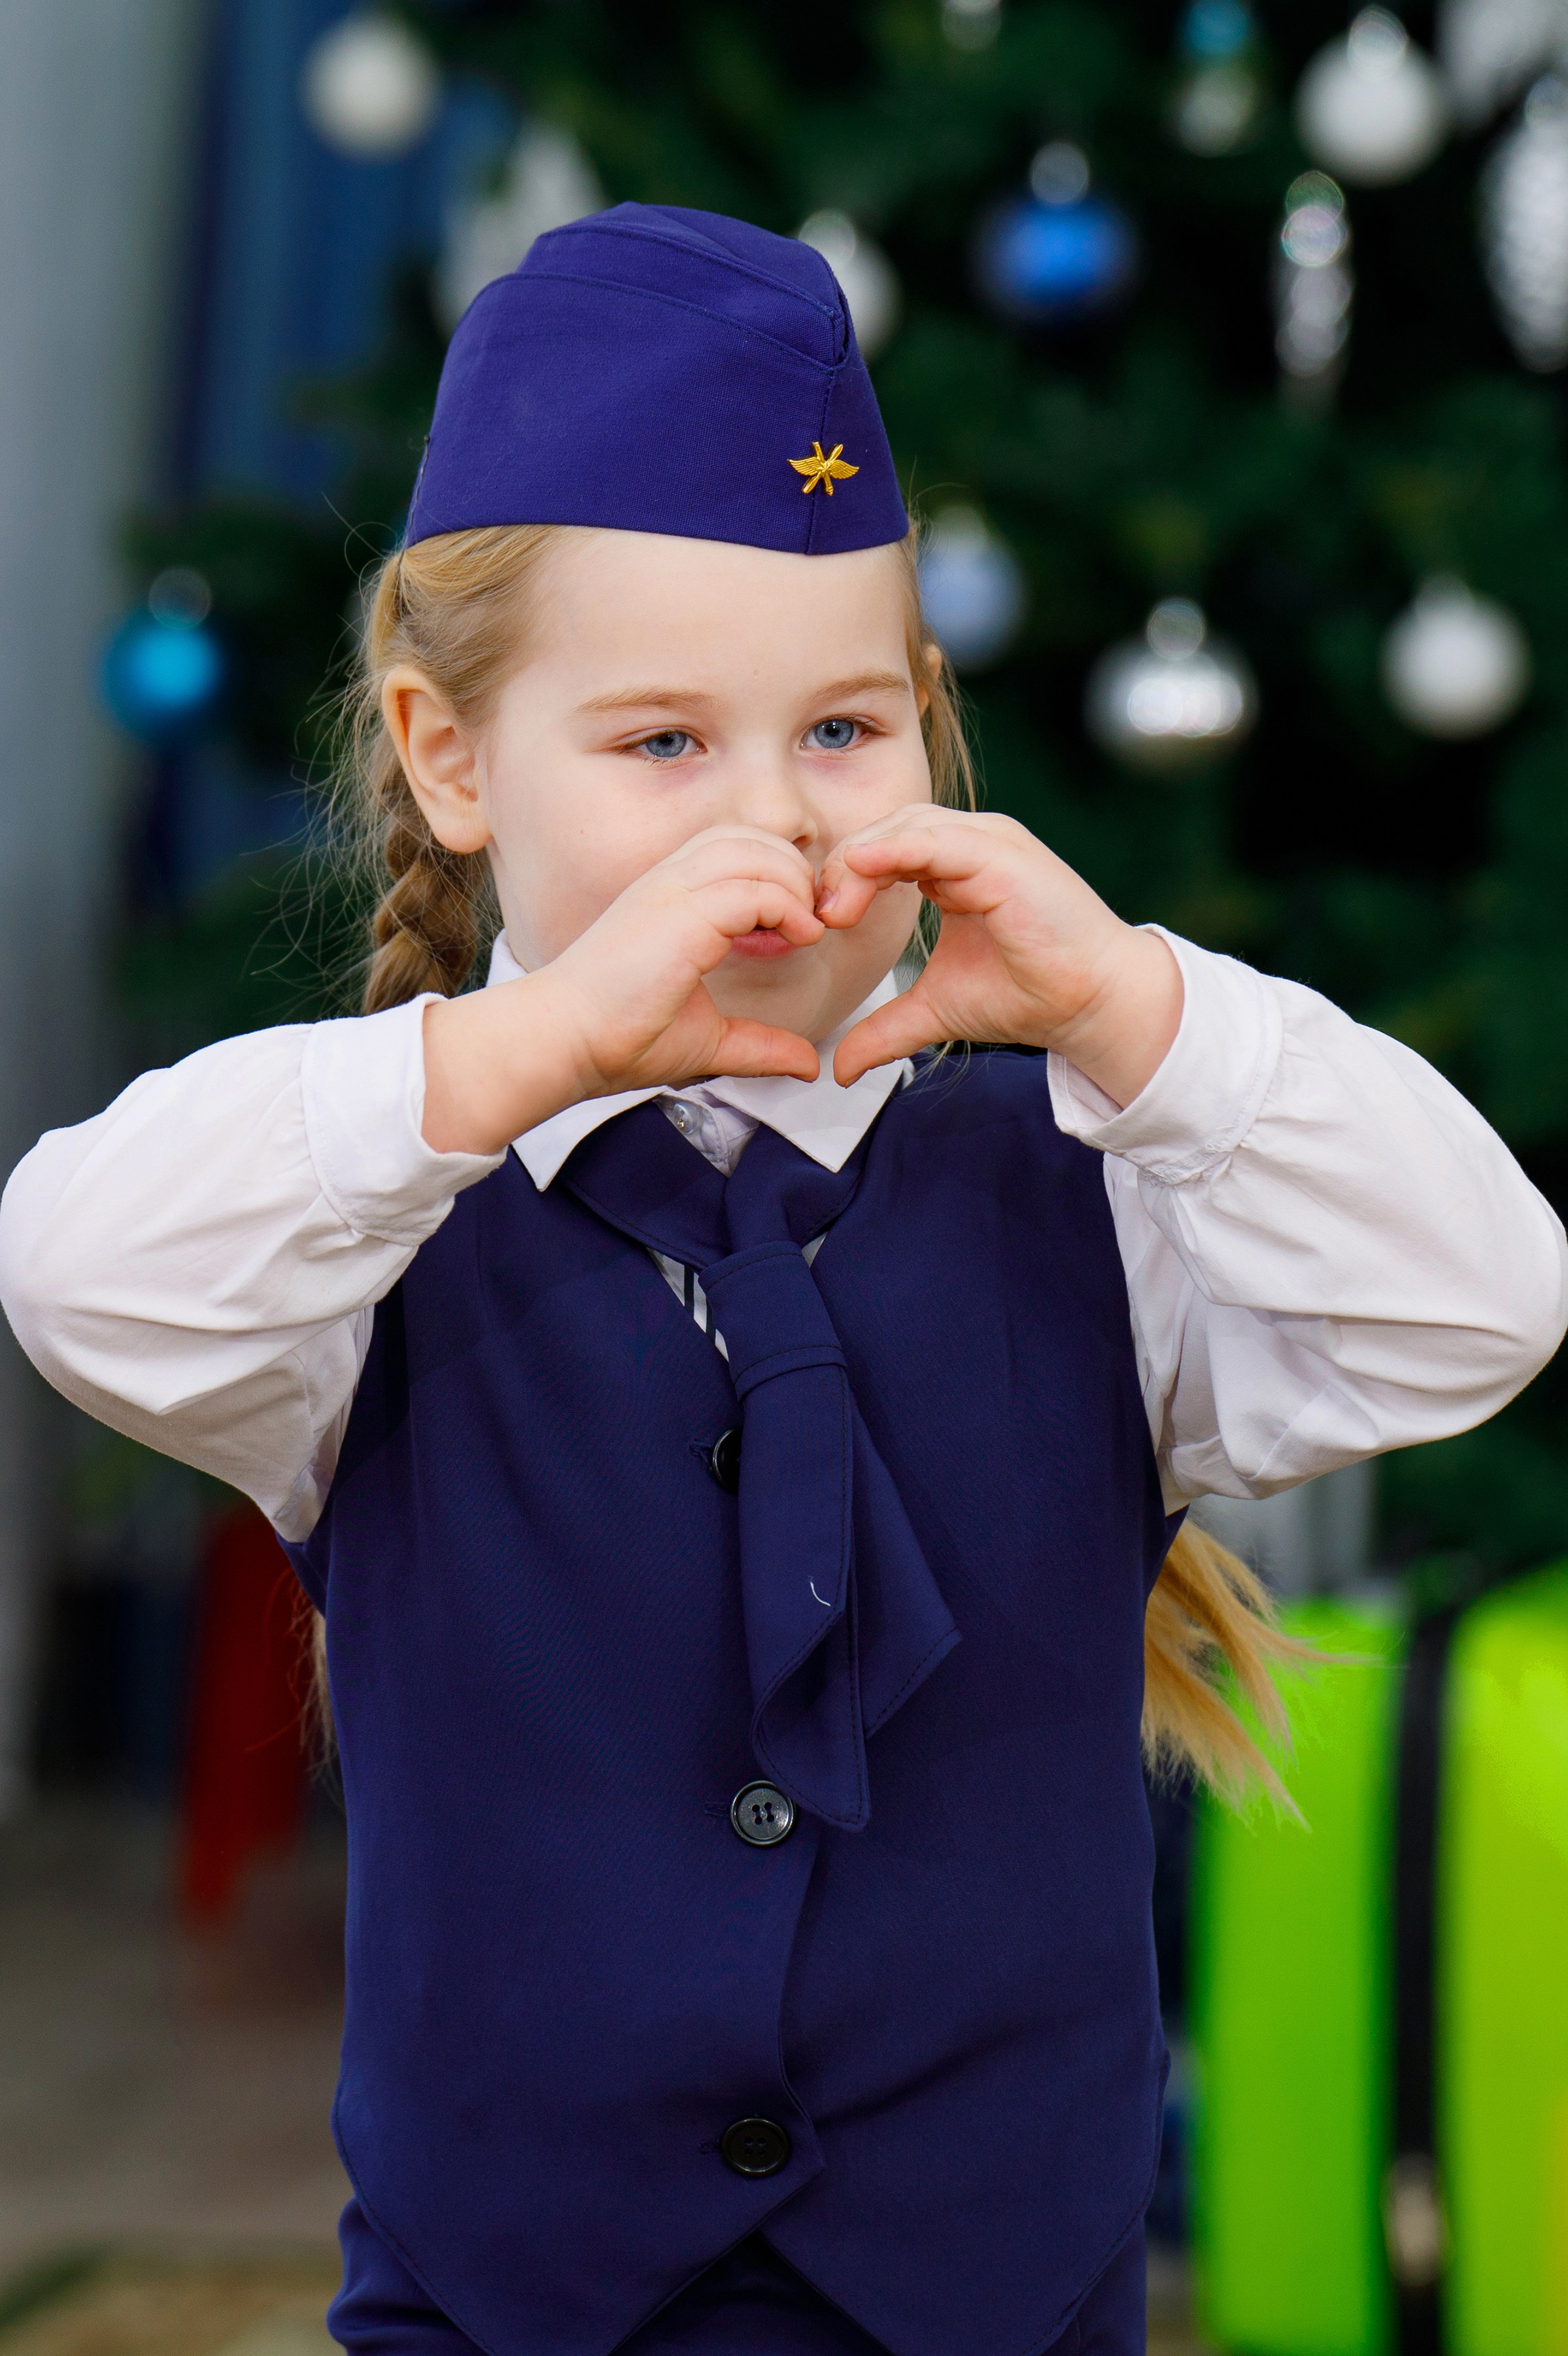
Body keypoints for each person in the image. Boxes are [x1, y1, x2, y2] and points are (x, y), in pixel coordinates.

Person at [1, 206, 1562, 2356]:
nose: (779, 827)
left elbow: (1484, 1297)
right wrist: (518, 1055)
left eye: (845, 730)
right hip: (505, 2310)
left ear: (929, 724)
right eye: (661, 745)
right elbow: (77, 1267)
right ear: (451, 761)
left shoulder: (1089, 1186)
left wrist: (1140, 1012)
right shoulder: (368, 1226)